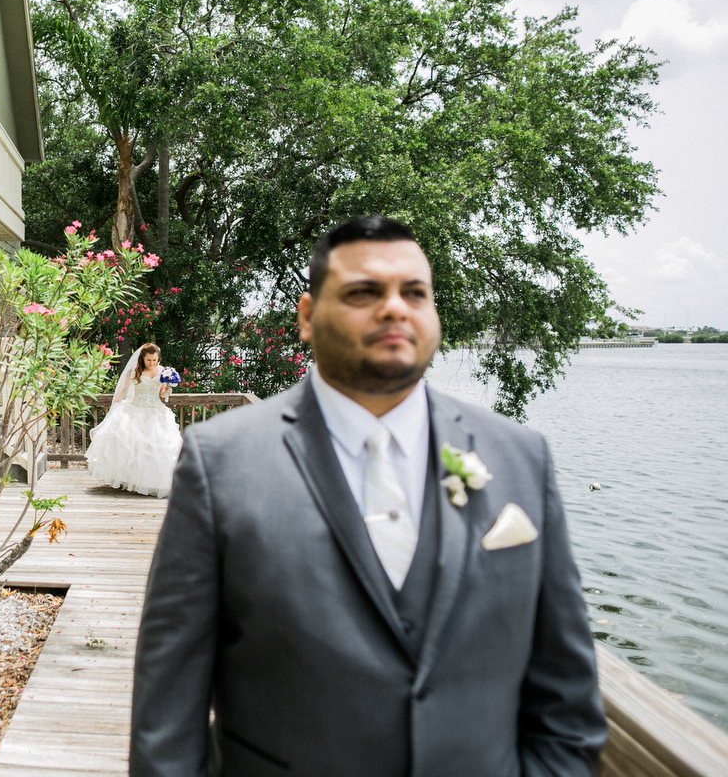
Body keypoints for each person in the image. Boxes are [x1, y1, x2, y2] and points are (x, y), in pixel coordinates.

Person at [130, 216, 606, 776]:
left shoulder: (522, 458)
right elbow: (168, 712)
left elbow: (567, 704)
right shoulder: (220, 462)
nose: (394, 308)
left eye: (415, 293)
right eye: (363, 292)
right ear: (307, 317)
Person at [86, 343, 183, 498]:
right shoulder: (136, 371)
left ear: (159, 359)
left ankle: (151, 482)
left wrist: (169, 388)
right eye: (149, 360)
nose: (152, 363)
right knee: (132, 446)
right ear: (142, 359)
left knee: (156, 447)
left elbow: (162, 394)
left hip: (155, 411)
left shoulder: (164, 371)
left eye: (154, 360)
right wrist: (115, 408)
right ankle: (131, 481)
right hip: (135, 409)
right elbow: (122, 389)